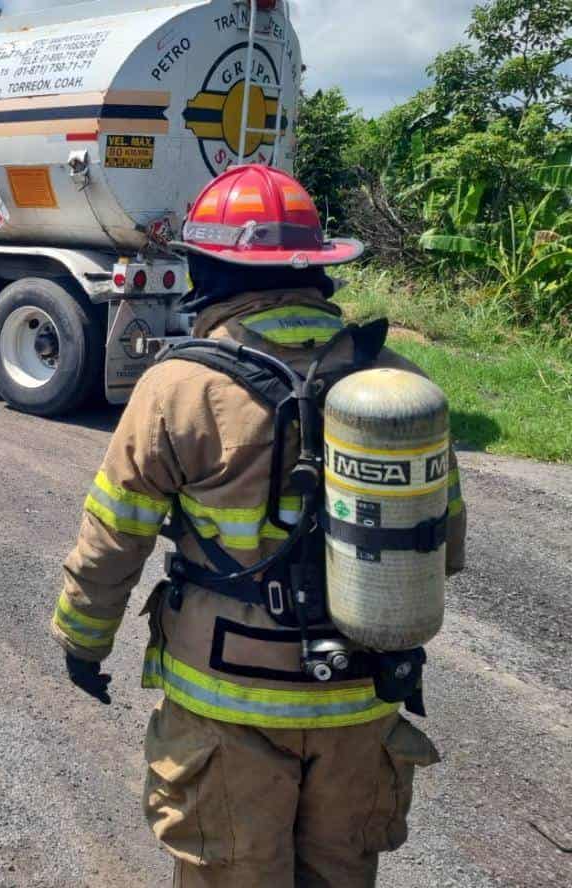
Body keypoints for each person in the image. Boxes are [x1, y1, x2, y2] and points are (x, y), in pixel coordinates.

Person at [50, 165, 466, 888]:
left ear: (210, 270)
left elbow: (115, 537)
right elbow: (444, 546)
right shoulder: (396, 388)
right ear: (317, 269)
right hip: (361, 701)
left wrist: (83, 642)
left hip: (224, 706)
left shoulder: (179, 387)